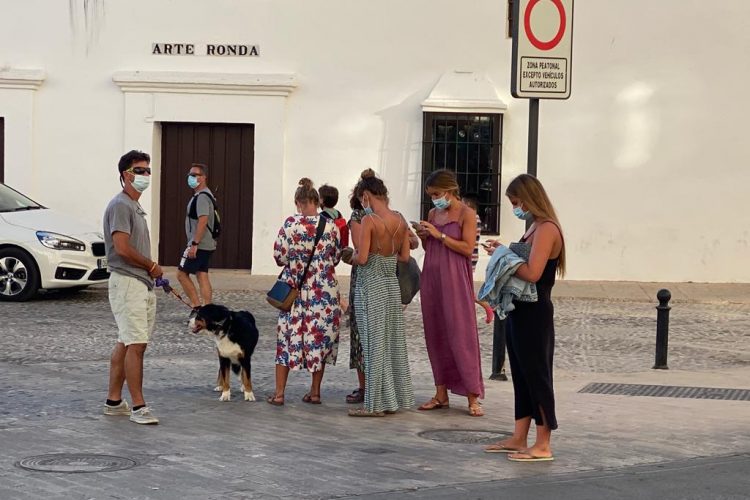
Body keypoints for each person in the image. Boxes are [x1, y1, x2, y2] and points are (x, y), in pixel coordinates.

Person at [483, 173, 565, 462]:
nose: (516, 208)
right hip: (520, 309)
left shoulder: (547, 229)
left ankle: (543, 443)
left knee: (537, 376)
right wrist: (501, 253)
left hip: (535, 312)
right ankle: (520, 437)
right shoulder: (534, 228)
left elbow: (532, 272)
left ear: (530, 198)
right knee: (521, 374)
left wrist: (504, 255)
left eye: (517, 202)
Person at [415, 169, 485, 417]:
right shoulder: (433, 213)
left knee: (461, 333)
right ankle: (440, 392)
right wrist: (425, 236)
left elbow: (467, 248)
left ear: (449, 190)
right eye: (431, 195)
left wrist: (440, 235)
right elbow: (430, 246)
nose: (434, 199)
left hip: (455, 278)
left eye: (436, 194)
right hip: (432, 277)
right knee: (436, 334)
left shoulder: (468, 214)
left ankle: (472, 395)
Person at [267, 178, 342, 406]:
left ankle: (279, 394)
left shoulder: (290, 225)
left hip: (295, 292)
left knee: (287, 340)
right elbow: (336, 257)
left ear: (298, 202)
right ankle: (315, 392)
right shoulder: (330, 226)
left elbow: (279, 257)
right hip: (323, 292)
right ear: (316, 202)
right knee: (317, 340)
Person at [102, 150, 162, 425]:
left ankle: (114, 401)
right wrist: (151, 265)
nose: (145, 175)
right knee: (136, 344)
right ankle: (139, 406)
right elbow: (122, 247)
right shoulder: (121, 205)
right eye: (139, 170)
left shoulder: (134, 207)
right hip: (128, 281)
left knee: (127, 342)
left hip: (138, 282)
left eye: (147, 170)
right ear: (125, 174)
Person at [348, 169, 414, 416]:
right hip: (391, 284)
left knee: (372, 343)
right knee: (392, 342)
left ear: (366, 196)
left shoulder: (369, 221)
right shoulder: (400, 219)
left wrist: (351, 256)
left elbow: (363, 258)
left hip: (371, 284)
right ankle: (392, 399)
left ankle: (373, 404)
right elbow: (405, 257)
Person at [177, 163, 217, 320]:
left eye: (195, 175)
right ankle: (208, 311)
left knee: (181, 274)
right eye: (190, 174)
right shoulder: (205, 195)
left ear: (203, 178)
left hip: (199, 244)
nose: (191, 178)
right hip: (206, 244)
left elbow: (203, 220)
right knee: (202, 275)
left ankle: (197, 307)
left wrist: (194, 243)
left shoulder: (201, 197)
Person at [343, 190, 366, 404]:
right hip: (372, 277)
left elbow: (361, 252)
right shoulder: (360, 217)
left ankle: (366, 387)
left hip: (366, 276)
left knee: (362, 332)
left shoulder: (360, 218)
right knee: (361, 331)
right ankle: (367, 386)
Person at [461, 193, 495, 325]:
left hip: (469, 257)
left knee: (466, 289)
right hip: (471, 257)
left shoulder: (473, 218)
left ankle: (487, 306)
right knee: (466, 288)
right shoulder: (474, 218)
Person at [318, 184, 349, 248]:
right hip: (338, 248)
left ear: (322, 200)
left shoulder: (321, 216)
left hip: (327, 248)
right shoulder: (339, 214)